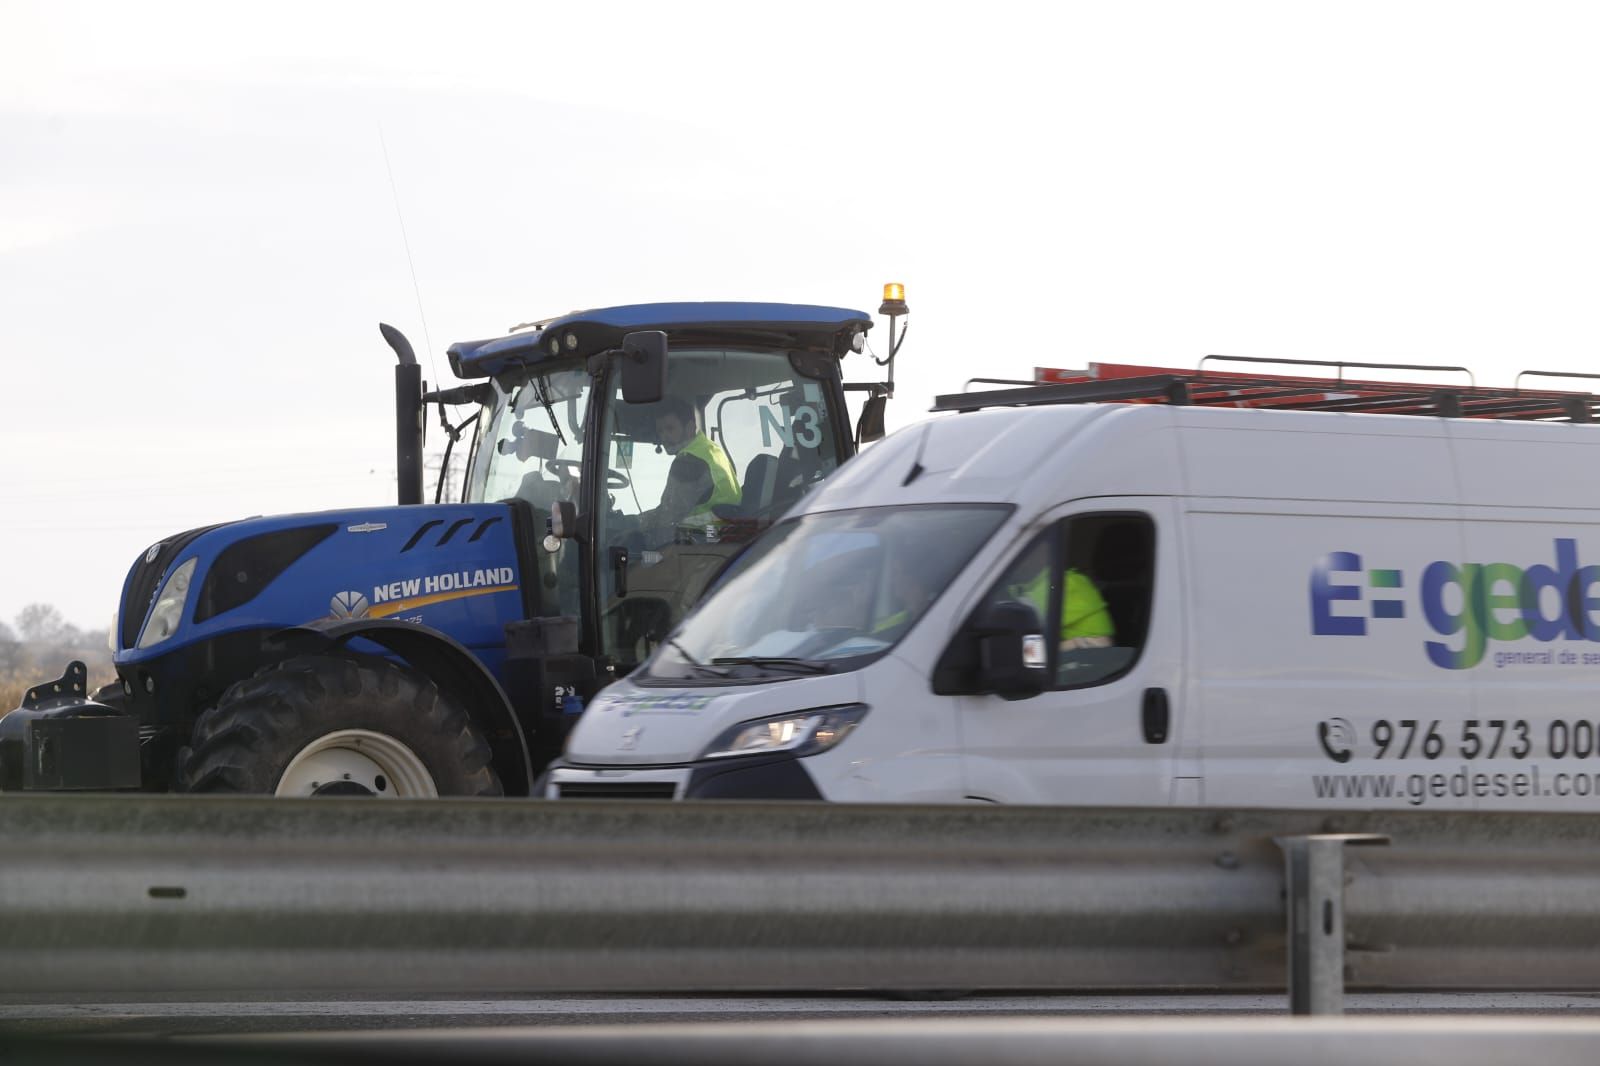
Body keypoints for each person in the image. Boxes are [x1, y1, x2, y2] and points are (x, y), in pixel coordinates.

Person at [641, 396, 741, 541]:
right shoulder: (711, 450)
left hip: (700, 542)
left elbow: (668, 519)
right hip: (720, 534)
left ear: (690, 427)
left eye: (670, 428)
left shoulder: (688, 461)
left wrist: (638, 530)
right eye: (660, 431)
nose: (664, 437)